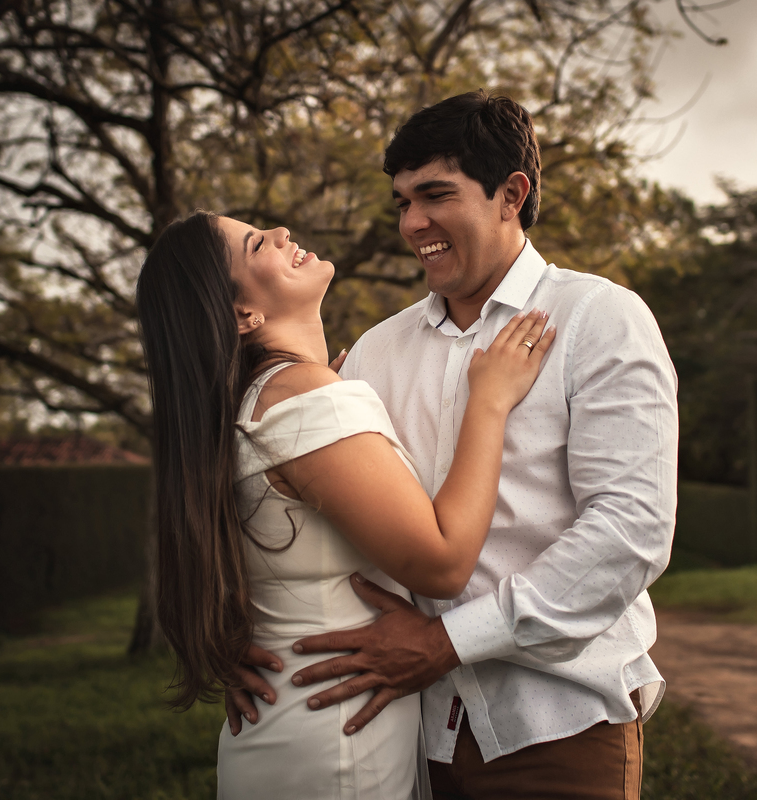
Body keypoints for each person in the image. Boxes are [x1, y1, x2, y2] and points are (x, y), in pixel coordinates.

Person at [229, 91, 680, 799]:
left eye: (435, 195)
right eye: (403, 201)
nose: (413, 224)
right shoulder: (376, 350)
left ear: (511, 194)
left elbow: (631, 533)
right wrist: (243, 628)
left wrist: (446, 644)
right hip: (402, 728)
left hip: (554, 725)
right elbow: (298, 498)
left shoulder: (601, 318)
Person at [136, 209, 556, 800]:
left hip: (298, 720)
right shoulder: (301, 400)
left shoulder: (259, 403)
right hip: (336, 739)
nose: (284, 234)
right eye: (259, 244)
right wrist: (488, 402)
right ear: (243, 315)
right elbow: (441, 562)